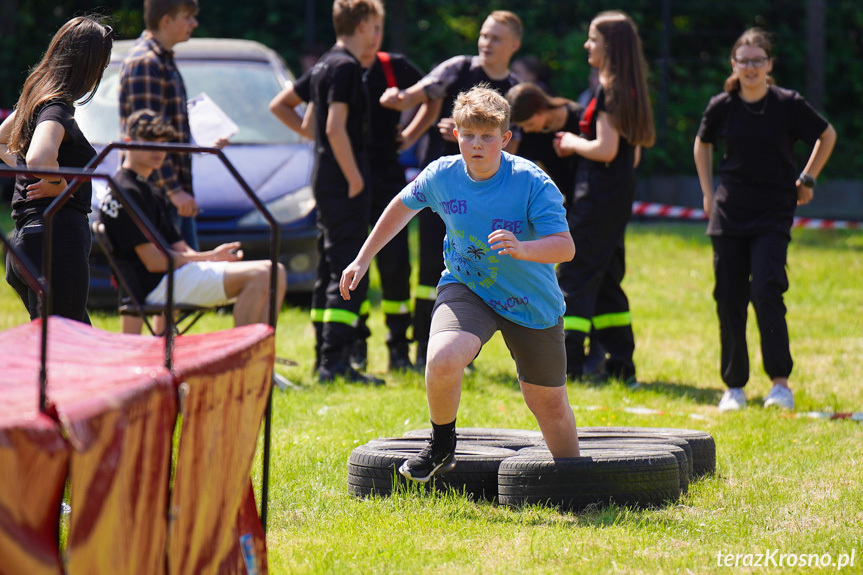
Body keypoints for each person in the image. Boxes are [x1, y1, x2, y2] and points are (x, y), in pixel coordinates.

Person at [341, 86, 580, 483]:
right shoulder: (442, 175)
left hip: (530, 301)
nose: (477, 144)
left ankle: (578, 481)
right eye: (468, 134)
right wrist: (362, 258)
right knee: (443, 358)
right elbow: (401, 206)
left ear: (505, 139)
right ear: (456, 134)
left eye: (488, 136)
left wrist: (522, 248)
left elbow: (566, 248)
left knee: (548, 404)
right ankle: (441, 446)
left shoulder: (532, 182)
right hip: (467, 285)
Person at [693, 28, 836, 412]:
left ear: (769, 65)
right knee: (729, 295)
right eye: (744, 60)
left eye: (759, 60)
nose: (751, 67)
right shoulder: (721, 105)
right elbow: (702, 143)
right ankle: (734, 387)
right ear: (734, 65)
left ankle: (780, 384)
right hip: (729, 210)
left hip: (774, 209)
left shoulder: (788, 103)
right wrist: (708, 192)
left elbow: (827, 134)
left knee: (767, 290)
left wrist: (807, 177)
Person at [379, 10, 523, 369]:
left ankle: (460, 348)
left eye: (496, 38)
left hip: (485, 199)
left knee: (470, 267)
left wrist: (485, 145)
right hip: (442, 192)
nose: (486, 43)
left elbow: (516, 144)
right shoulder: (459, 69)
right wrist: (399, 99)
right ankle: (417, 348)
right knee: (431, 267)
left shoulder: (517, 90)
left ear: (515, 46)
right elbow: (421, 93)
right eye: (484, 35)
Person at [269, 0, 384, 384]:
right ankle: (336, 363)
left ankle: (325, 355)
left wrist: (313, 137)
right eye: (376, 26)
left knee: (328, 267)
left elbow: (282, 105)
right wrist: (354, 177)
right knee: (349, 266)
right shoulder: (347, 67)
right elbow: (335, 127)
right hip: (342, 181)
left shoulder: (323, 63)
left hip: (324, 177)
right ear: (365, 25)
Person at [99, 109, 286, 333]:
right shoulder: (126, 190)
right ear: (127, 142)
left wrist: (211, 259)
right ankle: (246, 362)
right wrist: (211, 256)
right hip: (155, 285)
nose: (159, 150)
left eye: (163, 142)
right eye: (150, 141)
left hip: (171, 279)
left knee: (276, 272)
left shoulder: (150, 190)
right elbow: (154, 262)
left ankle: (260, 360)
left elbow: (181, 248)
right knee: (265, 274)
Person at [552, 11, 655, 384]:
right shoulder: (631, 89)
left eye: (593, 39)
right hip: (616, 193)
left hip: (597, 194)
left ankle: (570, 365)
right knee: (607, 278)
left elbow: (607, 149)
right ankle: (620, 363)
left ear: (609, 46)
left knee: (575, 273)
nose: (587, 45)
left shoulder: (608, 91)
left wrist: (570, 142)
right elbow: (634, 153)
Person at [0, 16, 113, 324]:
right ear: (87, 65)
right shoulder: (57, 107)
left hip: (26, 244)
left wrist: (29, 171)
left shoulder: (35, 97)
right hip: (55, 242)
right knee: (69, 351)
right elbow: (39, 157)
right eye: (101, 65)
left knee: (61, 349)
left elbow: (2, 141)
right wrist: (58, 182)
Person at [119, 0, 225, 250]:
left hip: (166, 193)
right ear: (166, 21)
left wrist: (199, 140)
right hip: (157, 194)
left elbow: (164, 127)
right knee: (171, 284)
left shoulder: (161, 59)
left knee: (183, 280)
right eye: (187, 17)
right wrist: (174, 190)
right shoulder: (146, 63)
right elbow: (148, 137)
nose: (194, 23)